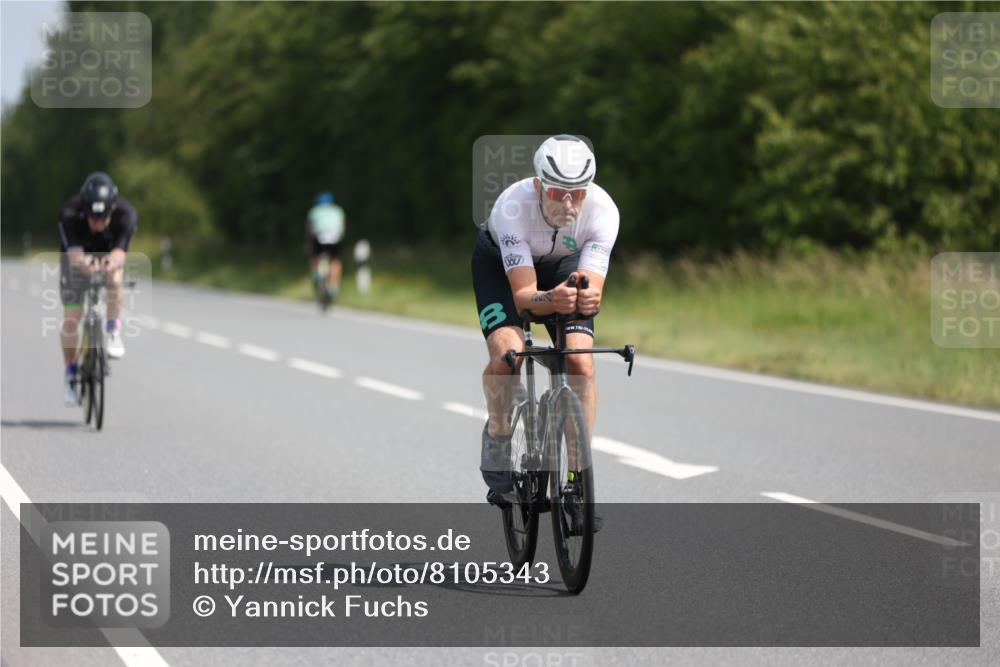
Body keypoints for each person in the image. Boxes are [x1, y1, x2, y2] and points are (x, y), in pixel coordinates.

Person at [472, 135, 619, 503]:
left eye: (578, 193)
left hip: (564, 265)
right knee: (508, 354)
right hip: (501, 269)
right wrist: (552, 298)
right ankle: (499, 432)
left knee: (581, 363)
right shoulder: (511, 208)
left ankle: (575, 478)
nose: (568, 203)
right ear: (539, 185)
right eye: (557, 193)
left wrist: (588, 296)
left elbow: (592, 291)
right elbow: (524, 299)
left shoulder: (604, 211)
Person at [58, 171, 138, 405]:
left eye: (102, 218)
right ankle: (71, 373)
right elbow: (74, 256)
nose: (97, 223)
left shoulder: (127, 214)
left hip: (106, 257)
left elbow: (120, 253)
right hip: (76, 259)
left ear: (112, 210)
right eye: (93, 218)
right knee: (72, 319)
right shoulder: (69, 213)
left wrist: (108, 264)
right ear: (84, 209)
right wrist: (86, 265)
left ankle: (113, 330)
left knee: (115, 279)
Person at [306, 192, 346, 302]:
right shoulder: (338, 211)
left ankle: (316, 274)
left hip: (319, 238)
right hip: (335, 238)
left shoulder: (314, 211)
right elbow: (341, 228)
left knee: (314, 256)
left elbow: (310, 231)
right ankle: (334, 287)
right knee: (335, 261)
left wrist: (309, 245)